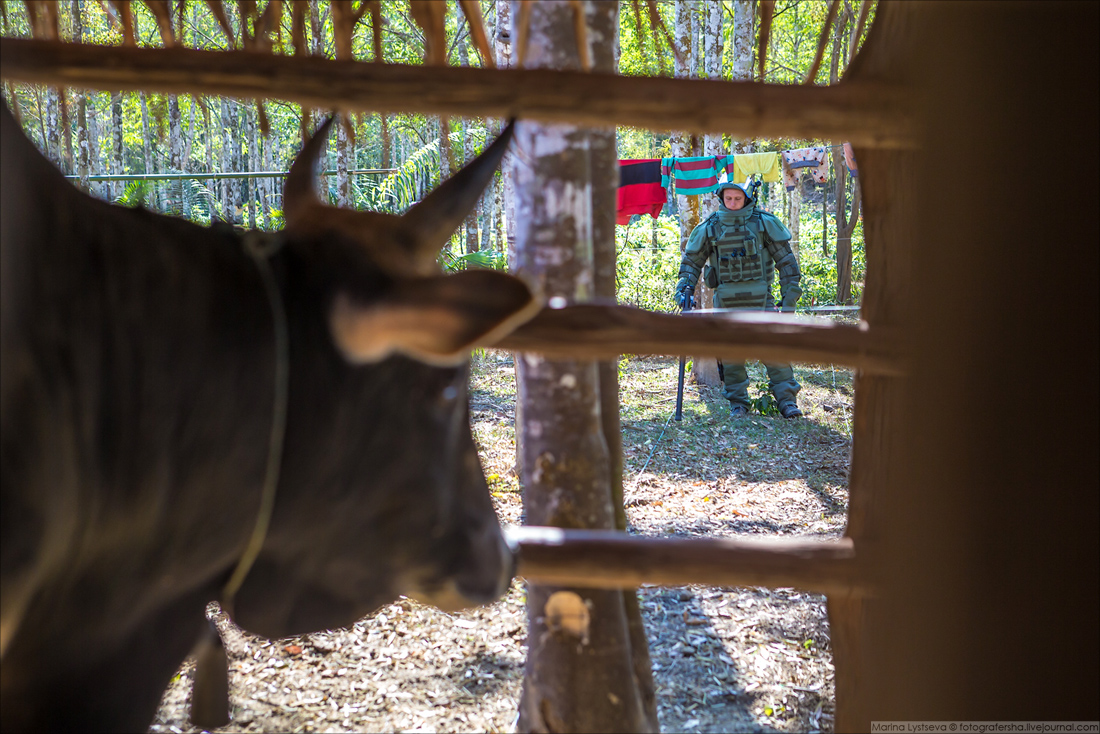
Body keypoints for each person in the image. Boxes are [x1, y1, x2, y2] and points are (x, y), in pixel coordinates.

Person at [674, 180, 804, 419]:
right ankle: (738, 404)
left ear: (747, 198)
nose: (733, 204)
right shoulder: (710, 228)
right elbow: (691, 263)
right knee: (731, 357)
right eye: (728, 199)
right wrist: (684, 288)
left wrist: (789, 299)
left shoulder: (763, 223)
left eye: (738, 199)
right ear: (721, 199)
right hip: (726, 304)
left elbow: (786, 263)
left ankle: (787, 401)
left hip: (761, 301)